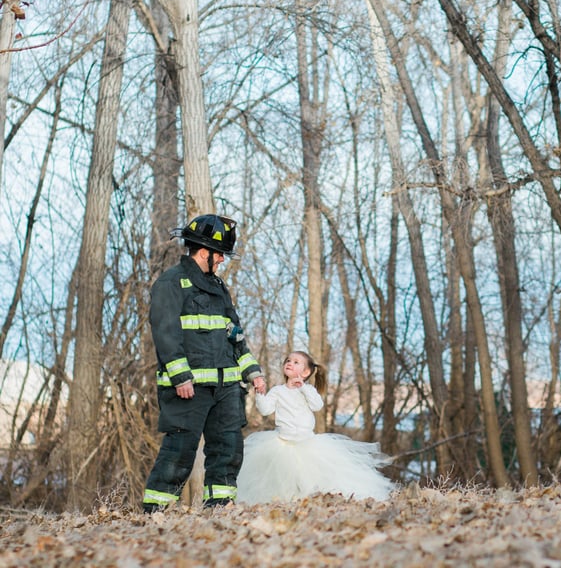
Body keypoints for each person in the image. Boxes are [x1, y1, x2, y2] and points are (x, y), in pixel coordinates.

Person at [142, 214, 267, 512]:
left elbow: (234, 334)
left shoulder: (219, 288)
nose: (222, 260)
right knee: (179, 452)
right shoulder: (171, 283)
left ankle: (220, 508)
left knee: (228, 449)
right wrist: (180, 376)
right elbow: (165, 333)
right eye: (220, 254)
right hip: (190, 388)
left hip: (226, 389)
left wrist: (251, 371)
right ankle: (154, 514)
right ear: (204, 252)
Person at [236, 351, 396, 504]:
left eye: (296, 362)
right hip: (282, 442)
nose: (289, 363)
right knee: (282, 476)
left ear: (305, 372)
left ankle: (312, 498)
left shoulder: (308, 390)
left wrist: (304, 388)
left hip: (308, 443)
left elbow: (317, 405)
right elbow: (266, 409)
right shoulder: (278, 391)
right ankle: (285, 499)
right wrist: (260, 394)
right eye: (288, 361)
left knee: (311, 476)